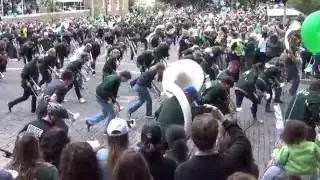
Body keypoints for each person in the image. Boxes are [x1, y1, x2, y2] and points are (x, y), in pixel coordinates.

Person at [175, 106, 254, 180]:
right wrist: (223, 119)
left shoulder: (182, 171)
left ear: (192, 139)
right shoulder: (230, 161)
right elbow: (242, 139)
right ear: (217, 137)